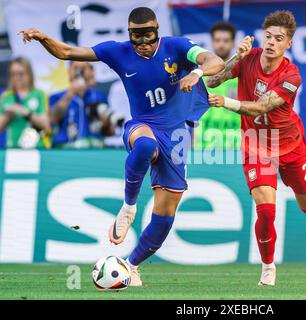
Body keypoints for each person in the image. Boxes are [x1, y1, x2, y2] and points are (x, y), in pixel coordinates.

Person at [19, 7, 224, 285]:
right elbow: (67, 52)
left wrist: (196, 73)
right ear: (129, 34)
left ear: (157, 31)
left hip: (177, 136)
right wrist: (44, 38)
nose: (142, 43)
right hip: (143, 125)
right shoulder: (117, 51)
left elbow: (215, 61)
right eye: (135, 36)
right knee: (143, 146)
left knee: (164, 218)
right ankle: (128, 208)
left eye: (147, 36)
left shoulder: (177, 46)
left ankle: (131, 266)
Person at [207, 10, 306, 286]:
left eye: (278, 38)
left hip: (291, 144)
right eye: (268, 36)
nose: (271, 42)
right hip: (258, 144)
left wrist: (229, 103)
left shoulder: (292, 75)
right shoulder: (249, 58)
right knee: (267, 210)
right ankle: (268, 268)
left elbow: (261, 106)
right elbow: (212, 81)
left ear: (288, 44)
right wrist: (237, 56)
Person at [49, 61, 119, 148]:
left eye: (83, 68)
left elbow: (110, 132)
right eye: (76, 68)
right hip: (65, 148)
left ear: (91, 71)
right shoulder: (57, 97)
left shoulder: (99, 97)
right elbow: (52, 120)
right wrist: (70, 93)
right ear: (69, 71)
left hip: (93, 149)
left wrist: (106, 124)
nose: (79, 72)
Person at [194, 21, 240, 150]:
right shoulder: (199, 73)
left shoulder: (241, 73)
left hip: (236, 144)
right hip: (204, 144)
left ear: (233, 43)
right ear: (212, 42)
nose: (221, 44)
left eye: (226, 40)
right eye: (217, 40)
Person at [0, 57, 50, 148]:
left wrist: (26, 112)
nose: (17, 78)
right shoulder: (6, 97)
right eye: (13, 74)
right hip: (13, 148)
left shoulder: (39, 94)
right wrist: (8, 115)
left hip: (37, 148)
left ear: (29, 74)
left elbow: (46, 125)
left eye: (21, 74)